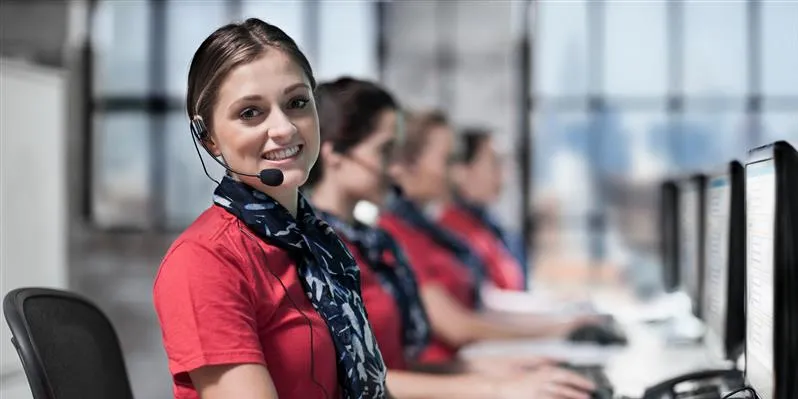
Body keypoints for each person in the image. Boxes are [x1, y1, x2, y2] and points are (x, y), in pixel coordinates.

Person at [306, 77, 597, 399]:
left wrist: (490, 370)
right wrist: (494, 386)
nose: (394, 169)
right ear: (335, 153)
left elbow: (392, 367)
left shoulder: (370, 243)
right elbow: (356, 382)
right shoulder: (318, 251)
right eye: (385, 152)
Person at [153, 19, 386, 399]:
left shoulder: (320, 244)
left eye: (296, 103)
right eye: (250, 113)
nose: (283, 128)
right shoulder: (204, 262)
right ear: (207, 136)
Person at [380, 110, 602, 365]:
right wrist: (556, 330)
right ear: (405, 164)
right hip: (455, 371)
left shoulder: (428, 233)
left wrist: (561, 321)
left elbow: (482, 303)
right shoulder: (396, 236)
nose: (456, 173)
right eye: (448, 160)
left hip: (469, 365)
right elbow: (457, 326)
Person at [443, 128, 526, 291]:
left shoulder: (495, 230)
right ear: (462, 170)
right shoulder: (449, 233)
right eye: (495, 162)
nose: (504, 174)